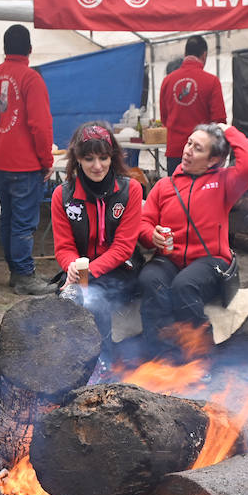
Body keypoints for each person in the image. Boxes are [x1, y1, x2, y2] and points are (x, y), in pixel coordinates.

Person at [137, 123, 248, 360]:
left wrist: (229, 131)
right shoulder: (164, 186)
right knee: (150, 279)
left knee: (185, 285)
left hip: (211, 261)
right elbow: (144, 223)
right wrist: (152, 236)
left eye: (198, 148)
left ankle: (199, 357)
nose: (188, 150)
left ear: (213, 160)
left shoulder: (225, 182)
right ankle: (162, 356)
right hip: (169, 259)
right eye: (189, 143)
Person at [50, 121, 144, 351]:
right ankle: (75, 360)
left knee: (95, 298)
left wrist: (87, 271)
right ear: (78, 159)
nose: (97, 166)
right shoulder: (62, 195)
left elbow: (123, 247)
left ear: (112, 157)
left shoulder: (130, 189)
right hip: (80, 270)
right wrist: (71, 267)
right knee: (68, 299)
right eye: (89, 159)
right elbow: (64, 247)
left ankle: (103, 362)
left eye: (103, 158)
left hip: (122, 269)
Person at [0, 24, 56, 295]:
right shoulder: (31, 79)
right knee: (24, 223)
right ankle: (24, 276)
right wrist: (47, 161)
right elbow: (41, 125)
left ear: (4, 48)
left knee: (9, 219)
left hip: (0, 162)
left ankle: (17, 271)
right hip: (26, 165)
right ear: (30, 50)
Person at [158, 36, 226, 175]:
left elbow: (164, 119)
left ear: (185, 55)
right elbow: (219, 122)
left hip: (176, 151)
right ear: (204, 55)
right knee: (202, 195)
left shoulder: (167, 81)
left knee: (177, 194)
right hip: (202, 154)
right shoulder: (211, 81)